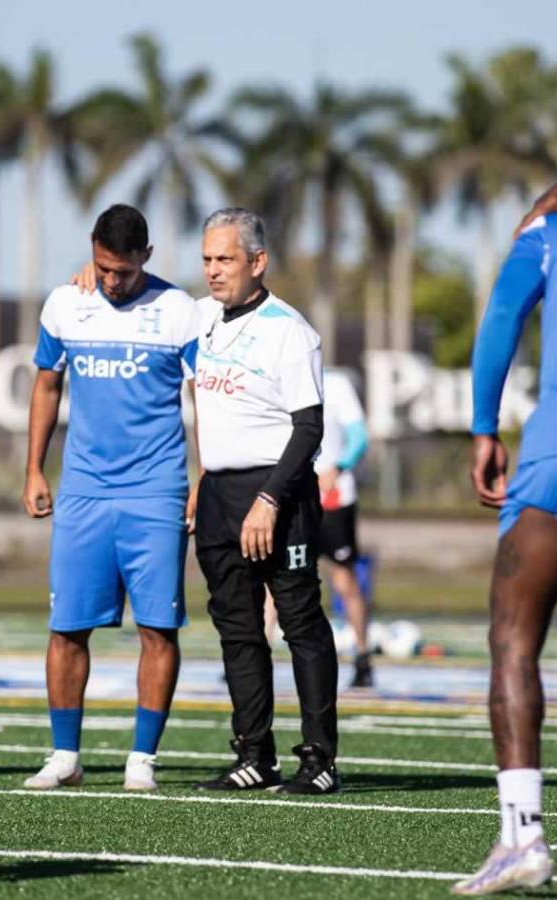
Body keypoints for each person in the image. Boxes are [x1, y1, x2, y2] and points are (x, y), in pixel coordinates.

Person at [23, 205, 199, 791]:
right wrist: (34, 469)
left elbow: (204, 398)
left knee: (158, 628)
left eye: (123, 271)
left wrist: (203, 475)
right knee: (67, 627)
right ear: (92, 250)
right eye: (102, 268)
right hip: (83, 490)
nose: (111, 281)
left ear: (146, 257)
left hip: (157, 489)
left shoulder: (179, 311)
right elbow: (47, 385)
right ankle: (64, 755)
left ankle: (141, 758)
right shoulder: (64, 303)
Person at [189, 208, 340, 795]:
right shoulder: (201, 316)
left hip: (278, 493)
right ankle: (255, 755)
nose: (213, 270)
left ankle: (319, 761)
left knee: (300, 622)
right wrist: (89, 277)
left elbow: (309, 427)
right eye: (207, 258)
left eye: (225, 259)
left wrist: (270, 499)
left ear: (258, 262)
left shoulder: (288, 330)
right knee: (237, 628)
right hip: (219, 494)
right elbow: (139, 296)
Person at [451, 202, 557, 894]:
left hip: (556, 459)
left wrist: (483, 427)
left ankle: (523, 836)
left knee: (514, 644)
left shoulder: (548, 233)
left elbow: (500, 319)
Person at [264, 368, 373, 687]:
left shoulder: (336, 384)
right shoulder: (278, 379)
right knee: (273, 579)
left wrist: (338, 467)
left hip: (332, 498)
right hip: (292, 494)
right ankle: (258, 655)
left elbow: (358, 436)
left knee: (344, 579)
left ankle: (362, 657)